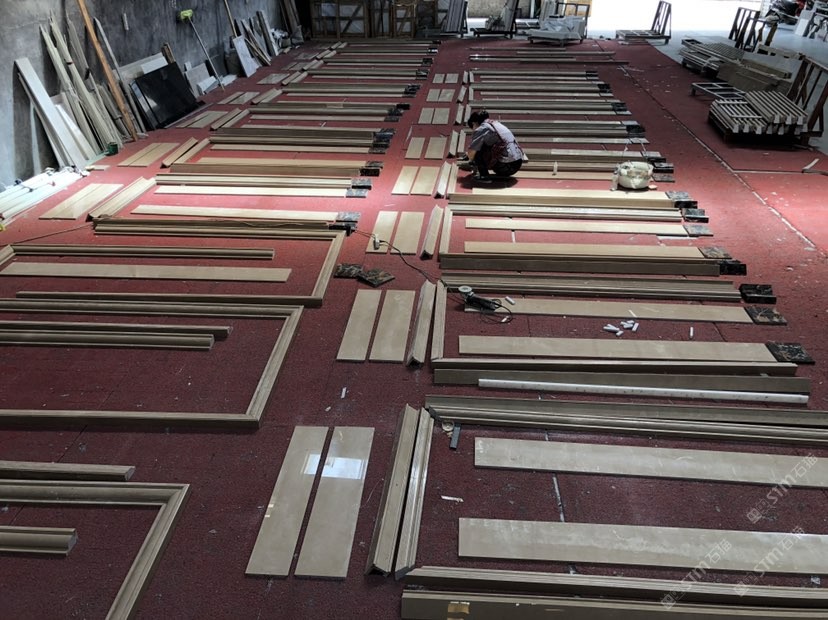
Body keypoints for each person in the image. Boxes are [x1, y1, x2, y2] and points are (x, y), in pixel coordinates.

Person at [459, 110, 524, 183]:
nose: (473, 130)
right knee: (481, 146)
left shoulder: (482, 128)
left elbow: (471, 154)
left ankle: (484, 176)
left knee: (477, 150)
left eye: (472, 127)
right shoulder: (495, 123)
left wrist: (471, 157)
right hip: (517, 163)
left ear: (474, 123)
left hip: (506, 167)